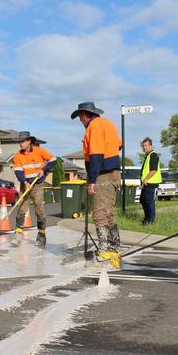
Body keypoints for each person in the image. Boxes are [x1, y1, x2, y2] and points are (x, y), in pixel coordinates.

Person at [71, 102, 123, 264]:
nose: (81, 122)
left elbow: (96, 155)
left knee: (99, 214)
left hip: (103, 176)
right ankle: (115, 247)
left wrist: (92, 180)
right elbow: (119, 145)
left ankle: (104, 250)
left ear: (86, 115)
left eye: (81, 119)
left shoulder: (94, 127)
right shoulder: (108, 124)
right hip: (114, 174)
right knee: (108, 213)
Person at [10, 131, 57, 247]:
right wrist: (24, 182)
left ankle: (41, 235)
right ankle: (18, 235)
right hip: (25, 185)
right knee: (21, 209)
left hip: (38, 185)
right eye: (19, 142)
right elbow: (18, 171)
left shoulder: (39, 151)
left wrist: (44, 170)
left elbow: (53, 160)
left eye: (22, 141)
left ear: (29, 141)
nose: (20, 144)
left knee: (39, 210)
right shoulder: (17, 156)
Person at [139, 137, 161, 225]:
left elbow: (153, 170)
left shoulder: (153, 155)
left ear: (151, 146)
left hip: (151, 183)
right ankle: (147, 219)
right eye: (143, 146)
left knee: (150, 202)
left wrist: (145, 179)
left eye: (146, 145)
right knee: (143, 200)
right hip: (146, 184)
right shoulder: (148, 156)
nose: (144, 148)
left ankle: (151, 221)